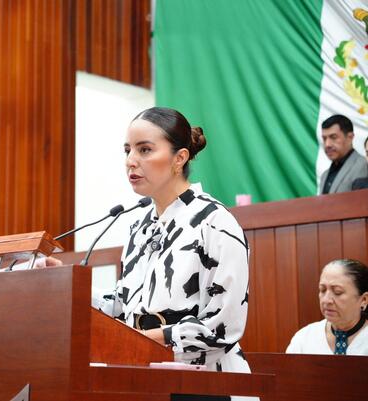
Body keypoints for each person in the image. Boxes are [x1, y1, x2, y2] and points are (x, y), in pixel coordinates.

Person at [92, 107, 253, 401]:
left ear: (179, 158)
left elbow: (223, 326)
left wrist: (146, 340)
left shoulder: (215, 222)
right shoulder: (139, 226)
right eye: (128, 150)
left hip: (207, 383)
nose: (130, 161)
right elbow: (123, 305)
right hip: (147, 377)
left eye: (144, 150)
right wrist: (67, 285)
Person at [286, 259, 368, 355]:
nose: (326, 300)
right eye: (323, 290)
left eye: (337, 292)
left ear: (364, 300)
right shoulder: (304, 338)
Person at [319, 114, 368, 194]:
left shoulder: (364, 164)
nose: (327, 144)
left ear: (350, 137)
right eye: (324, 138)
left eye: (333, 137)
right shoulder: (324, 175)